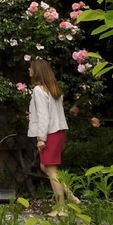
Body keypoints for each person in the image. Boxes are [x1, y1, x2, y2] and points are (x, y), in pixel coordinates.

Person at [27, 58, 81, 213]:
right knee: (46, 167)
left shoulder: (38, 90)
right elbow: (48, 113)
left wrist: (41, 138)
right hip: (58, 131)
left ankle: (61, 208)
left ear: (37, 71)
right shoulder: (53, 88)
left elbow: (44, 116)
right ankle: (71, 197)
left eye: (31, 68)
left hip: (49, 133)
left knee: (51, 170)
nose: (29, 71)